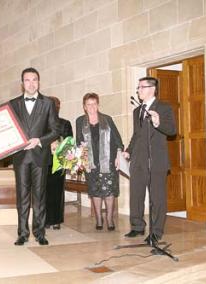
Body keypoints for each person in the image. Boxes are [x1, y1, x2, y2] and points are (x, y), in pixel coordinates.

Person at [8, 67, 59, 246]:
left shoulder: (48, 103)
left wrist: (39, 140)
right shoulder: (13, 104)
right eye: (27, 80)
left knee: (40, 196)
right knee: (22, 197)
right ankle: (22, 233)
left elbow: (55, 130)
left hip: (40, 156)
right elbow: (6, 129)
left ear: (39, 82)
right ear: (22, 84)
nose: (31, 83)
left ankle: (39, 232)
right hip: (21, 157)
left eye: (34, 80)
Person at [123, 77, 176, 244]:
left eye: (141, 87)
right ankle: (137, 226)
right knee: (136, 194)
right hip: (138, 160)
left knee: (157, 198)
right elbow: (137, 135)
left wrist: (158, 121)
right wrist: (128, 152)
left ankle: (156, 232)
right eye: (138, 87)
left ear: (152, 89)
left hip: (156, 161)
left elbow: (172, 130)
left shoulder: (164, 107)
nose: (138, 90)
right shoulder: (137, 110)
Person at [76, 93, 123, 231]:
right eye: (89, 104)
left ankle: (109, 218)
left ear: (98, 105)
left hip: (108, 160)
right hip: (91, 162)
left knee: (109, 191)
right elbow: (78, 140)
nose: (92, 106)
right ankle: (98, 218)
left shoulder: (107, 119)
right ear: (84, 107)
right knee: (95, 191)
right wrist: (79, 157)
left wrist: (119, 153)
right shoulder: (80, 121)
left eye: (94, 103)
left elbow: (117, 138)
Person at [45, 96, 72, 230]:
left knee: (57, 192)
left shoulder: (64, 123)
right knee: (43, 192)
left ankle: (56, 220)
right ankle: (44, 220)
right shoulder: (41, 124)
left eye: (55, 106)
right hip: (43, 162)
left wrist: (59, 144)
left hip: (58, 162)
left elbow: (69, 143)